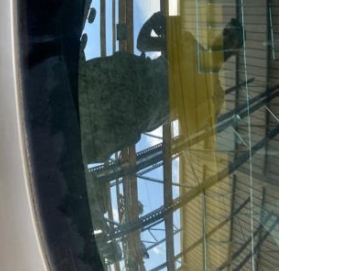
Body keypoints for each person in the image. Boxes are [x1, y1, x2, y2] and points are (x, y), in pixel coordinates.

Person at [78, 11, 243, 163]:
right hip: (126, 75)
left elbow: (194, 127)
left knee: (82, 139)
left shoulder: (215, 94)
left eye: (232, 40)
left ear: (234, 52)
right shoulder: (188, 42)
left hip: (137, 112)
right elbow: (143, 44)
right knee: (78, 86)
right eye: (226, 32)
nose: (225, 38)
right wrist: (151, 22)